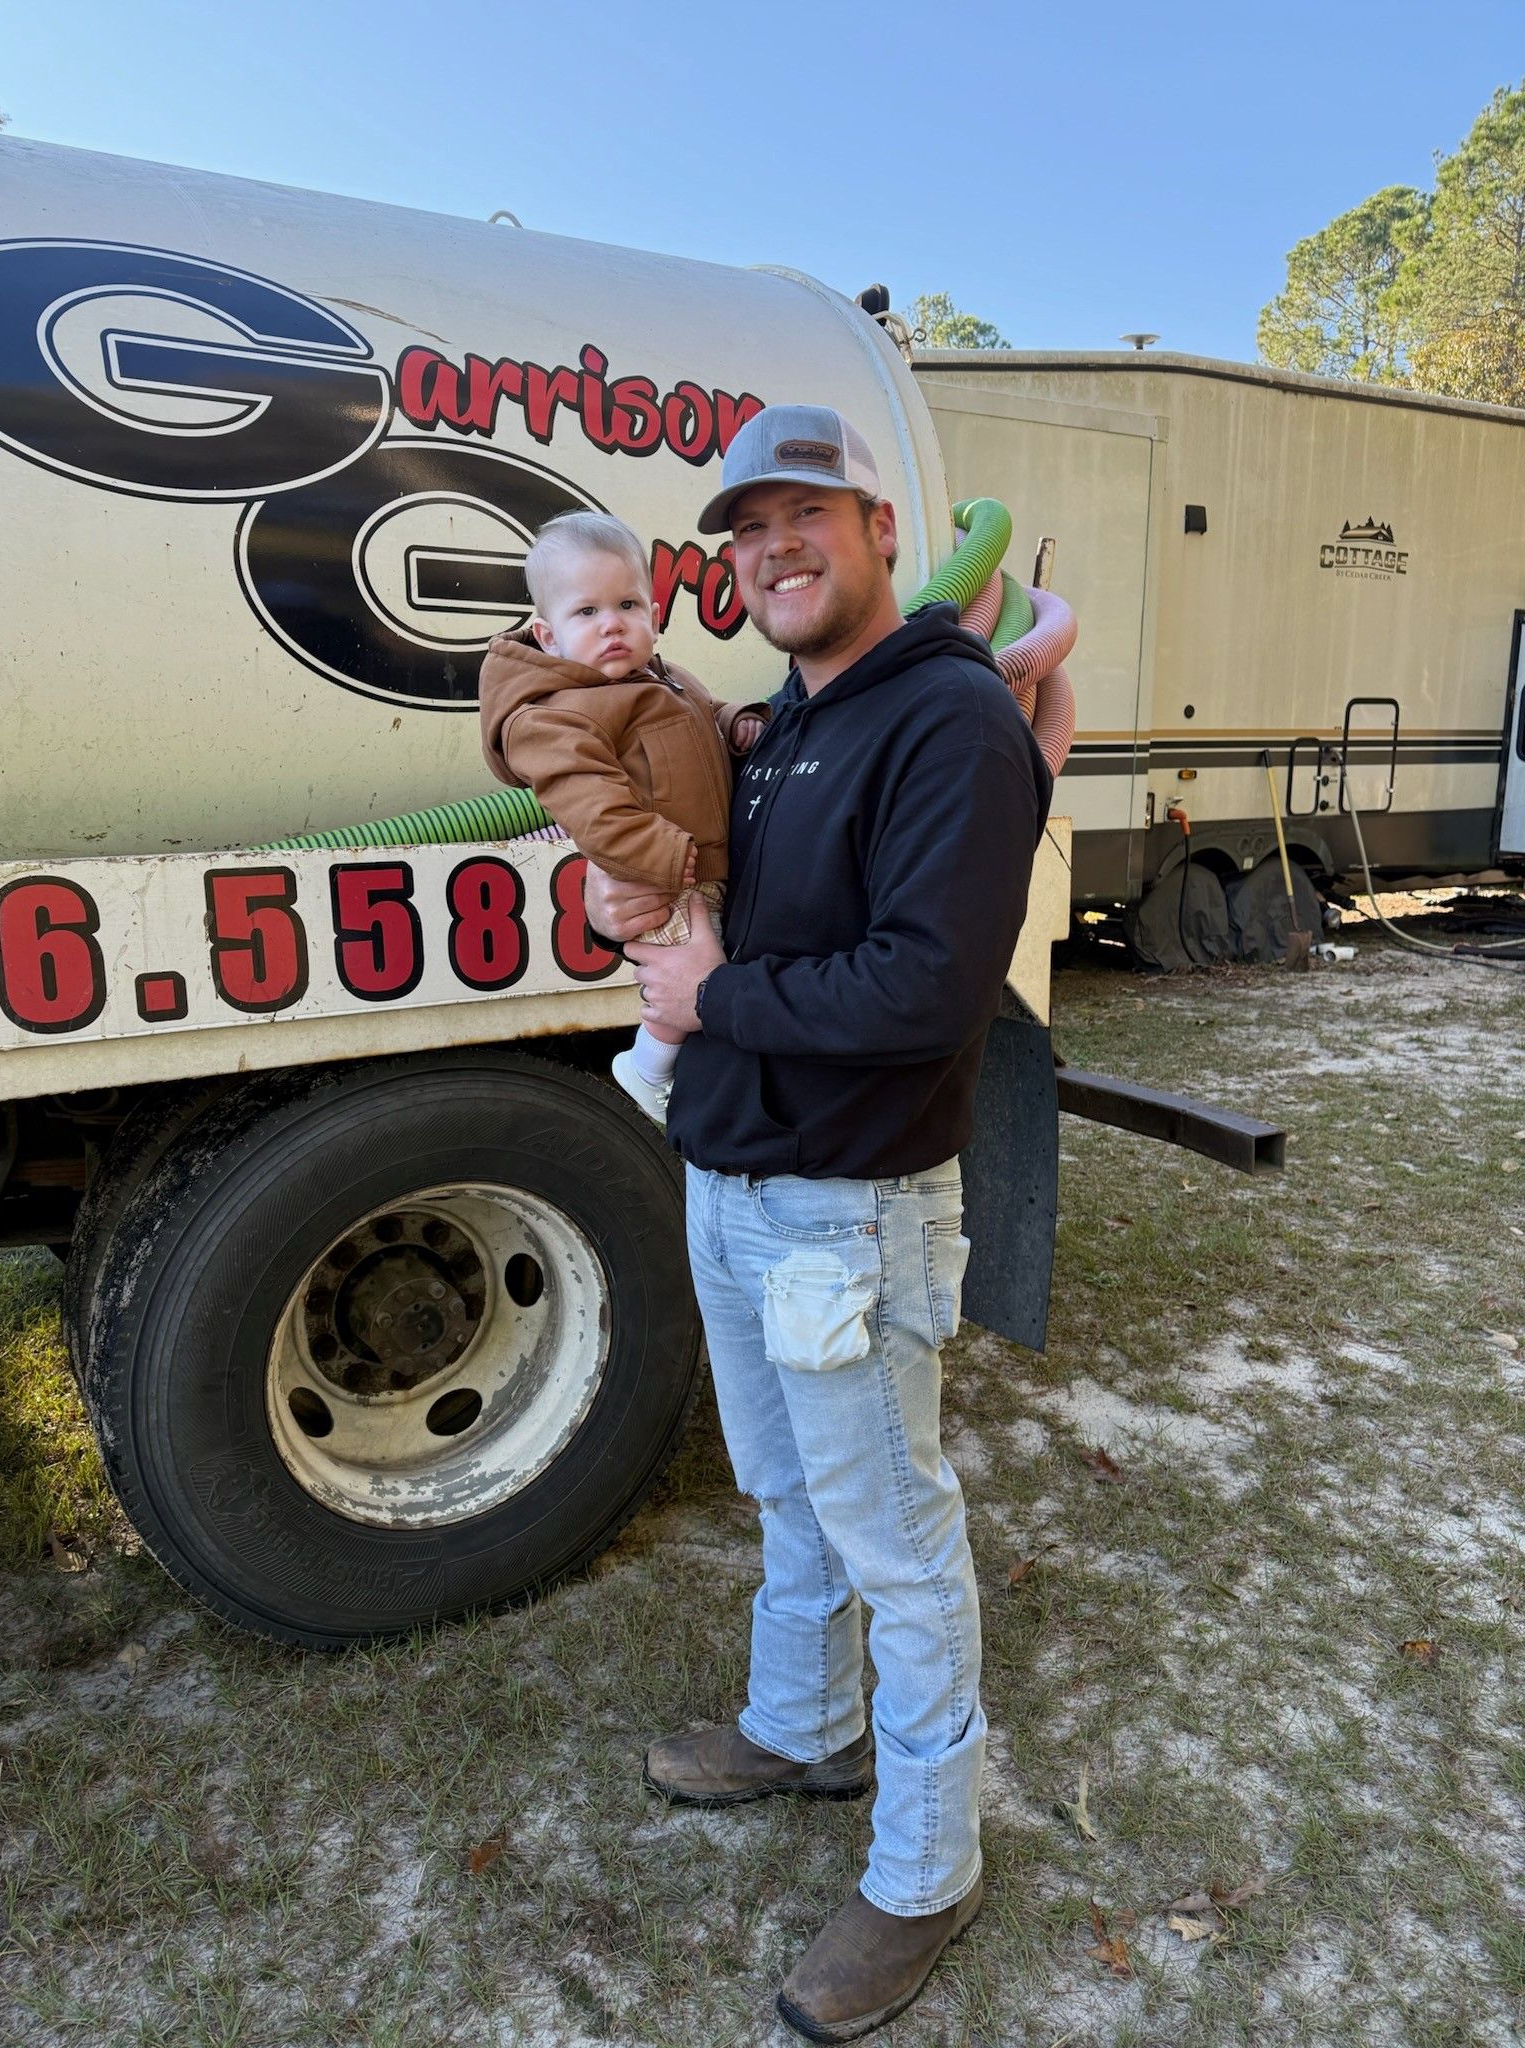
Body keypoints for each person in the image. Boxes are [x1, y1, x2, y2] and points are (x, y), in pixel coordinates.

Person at [586, 404, 1053, 2042]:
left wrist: (717, 990)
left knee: (896, 1545)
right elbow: (720, 908)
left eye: (805, 515)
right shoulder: (779, 726)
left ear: (875, 523)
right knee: (785, 1490)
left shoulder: (944, 723)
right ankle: (800, 1723)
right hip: (736, 1182)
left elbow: (929, 991)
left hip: (850, 1211)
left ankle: (927, 1869)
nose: (769, 548)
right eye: (745, 526)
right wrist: (640, 903)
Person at [477, 511, 766, 1121]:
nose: (613, 624)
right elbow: (595, 808)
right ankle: (647, 1070)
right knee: (679, 987)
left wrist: (734, 720)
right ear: (548, 636)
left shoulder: (667, 679)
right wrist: (666, 858)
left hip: (699, 867)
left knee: (713, 980)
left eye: (628, 605)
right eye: (586, 613)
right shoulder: (556, 716)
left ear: (654, 616)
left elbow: (703, 712)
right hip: (662, 880)